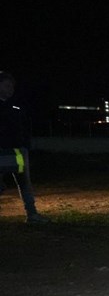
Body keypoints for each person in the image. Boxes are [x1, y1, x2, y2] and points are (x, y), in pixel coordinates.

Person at [0, 71, 50, 224]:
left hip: (18, 152)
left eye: (12, 86)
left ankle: (32, 214)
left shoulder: (15, 105)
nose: (11, 88)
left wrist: (25, 145)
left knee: (25, 183)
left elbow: (22, 127)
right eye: (7, 85)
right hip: (2, 152)